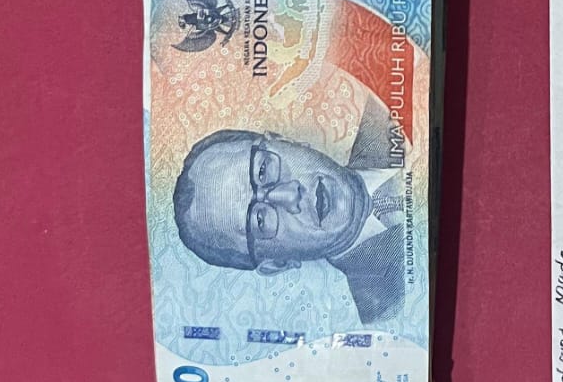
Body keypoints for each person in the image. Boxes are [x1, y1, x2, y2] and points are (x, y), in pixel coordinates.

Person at [172, 94, 408, 324]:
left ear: (285, 141)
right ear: (278, 263)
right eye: (260, 220)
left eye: (263, 170)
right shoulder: (387, 306)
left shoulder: (385, 109)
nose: (290, 195)